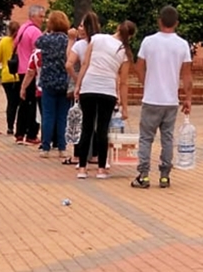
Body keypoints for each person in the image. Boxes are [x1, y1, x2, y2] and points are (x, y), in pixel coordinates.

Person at [131, 6, 193, 190]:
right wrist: (188, 98)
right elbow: (187, 75)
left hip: (151, 98)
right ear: (176, 23)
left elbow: (139, 66)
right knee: (167, 138)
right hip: (170, 100)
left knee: (146, 138)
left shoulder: (148, 42)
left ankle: (143, 175)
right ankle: (165, 175)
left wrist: (146, 83)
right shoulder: (182, 44)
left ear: (159, 21)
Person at [74, 19, 135, 179]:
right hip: (108, 91)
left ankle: (82, 168)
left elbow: (85, 64)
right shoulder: (124, 52)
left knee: (86, 127)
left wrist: (78, 85)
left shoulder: (97, 38)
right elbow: (123, 82)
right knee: (102, 129)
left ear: (117, 28)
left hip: (89, 86)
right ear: (131, 36)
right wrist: (125, 107)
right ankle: (101, 168)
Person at [25, 10, 71, 157]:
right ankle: (62, 148)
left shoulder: (45, 40)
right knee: (62, 116)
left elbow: (37, 42)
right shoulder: (68, 41)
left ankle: (45, 147)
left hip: (48, 81)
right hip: (64, 82)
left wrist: (47, 31)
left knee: (48, 115)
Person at [61, 12, 98, 165]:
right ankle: (95, 155)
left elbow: (69, 63)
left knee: (80, 121)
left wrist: (78, 80)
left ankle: (78, 155)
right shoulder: (101, 42)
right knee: (97, 123)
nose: (79, 28)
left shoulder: (80, 44)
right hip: (99, 84)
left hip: (84, 87)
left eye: (82, 25)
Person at [13, 6, 45, 145]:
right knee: (33, 104)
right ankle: (32, 133)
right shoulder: (35, 31)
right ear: (33, 16)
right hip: (30, 71)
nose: (43, 20)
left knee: (23, 103)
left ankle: (20, 132)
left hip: (21, 68)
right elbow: (40, 51)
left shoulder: (23, 28)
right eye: (41, 16)